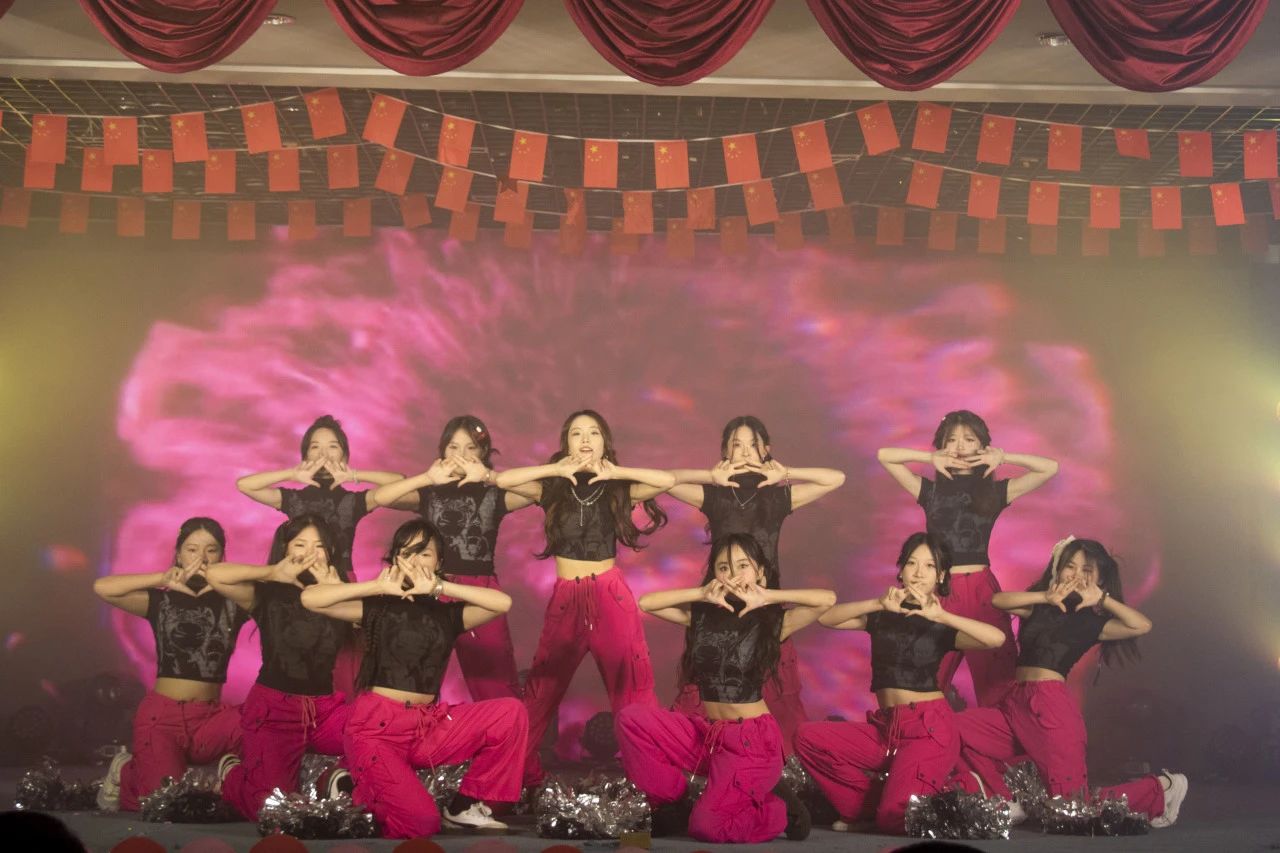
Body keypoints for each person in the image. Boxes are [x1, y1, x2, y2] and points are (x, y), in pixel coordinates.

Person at [301, 519, 528, 838]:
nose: (415, 561)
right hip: (376, 731)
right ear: (395, 560)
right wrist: (376, 587)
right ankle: (352, 787)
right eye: (406, 553)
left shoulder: (448, 615)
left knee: (510, 712)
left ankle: (463, 807)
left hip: (427, 728)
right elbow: (311, 599)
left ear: (439, 562)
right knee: (421, 824)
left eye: (424, 553)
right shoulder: (377, 608)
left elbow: (502, 603)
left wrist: (440, 588)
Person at [951, 537, 1188, 828]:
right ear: (1058, 569)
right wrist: (1045, 597)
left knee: (1073, 807)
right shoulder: (1040, 606)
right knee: (951, 729)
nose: (1076, 574)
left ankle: (1161, 788)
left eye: (1087, 570)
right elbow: (997, 601)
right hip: (1014, 704)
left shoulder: (1090, 622)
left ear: (1099, 578)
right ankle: (1003, 799)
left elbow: (1141, 625)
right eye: (1070, 566)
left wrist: (1102, 599)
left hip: (1050, 709)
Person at [493, 409, 674, 785]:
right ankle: (512, 778)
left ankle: (656, 785)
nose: (586, 439)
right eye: (577, 434)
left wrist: (615, 473)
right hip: (567, 597)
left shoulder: (618, 487)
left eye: (594, 433)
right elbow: (501, 479)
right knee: (541, 690)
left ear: (605, 442)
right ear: (566, 444)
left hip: (609, 594)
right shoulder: (553, 488)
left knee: (632, 690)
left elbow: (667, 480)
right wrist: (555, 470)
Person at [617, 533, 835, 843]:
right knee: (632, 719)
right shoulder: (702, 617)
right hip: (711, 736)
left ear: (760, 571)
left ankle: (778, 810)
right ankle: (674, 801)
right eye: (724, 567)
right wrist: (702, 593)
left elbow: (827, 600)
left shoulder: (772, 622)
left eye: (743, 566)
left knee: (707, 827)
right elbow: (646, 603)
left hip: (751, 743)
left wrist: (766, 596)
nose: (733, 575)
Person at [794, 533, 1006, 834]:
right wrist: (877, 602)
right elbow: (826, 618)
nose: (919, 572)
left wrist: (942, 615)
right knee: (807, 737)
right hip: (888, 728)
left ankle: (965, 785)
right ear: (902, 570)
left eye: (929, 566)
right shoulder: (882, 615)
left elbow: (995, 639)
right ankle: (866, 809)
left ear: (940, 576)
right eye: (911, 563)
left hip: (928, 731)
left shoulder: (941, 624)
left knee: (896, 819)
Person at [665, 415, 845, 751]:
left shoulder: (775, 499)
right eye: (737, 444)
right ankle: (707, 752)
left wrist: (785, 473)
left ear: (766, 451)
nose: (746, 452)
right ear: (725, 452)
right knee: (711, 682)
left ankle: (775, 759)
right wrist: (710, 477)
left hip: (764, 601)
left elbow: (836, 479)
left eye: (753, 444)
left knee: (775, 687)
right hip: (718, 603)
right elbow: (664, 481)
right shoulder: (716, 497)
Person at [877, 410, 1058, 706]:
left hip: (980, 590)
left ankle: (1005, 737)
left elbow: (1049, 468)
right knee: (924, 676)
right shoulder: (930, 491)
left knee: (998, 680)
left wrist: (1003, 457)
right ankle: (919, 731)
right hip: (937, 590)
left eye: (969, 439)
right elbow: (885, 456)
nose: (960, 446)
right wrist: (930, 459)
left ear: (982, 446)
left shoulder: (995, 492)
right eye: (951, 440)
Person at [371, 415, 536, 700]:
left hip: (479, 591)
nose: (461, 455)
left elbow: (538, 493)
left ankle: (504, 727)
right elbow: (381, 497)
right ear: (443, 451)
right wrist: (427, 478)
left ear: (483, 453)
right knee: (418, 675)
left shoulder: (492, 494)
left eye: (471, 448)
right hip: (428, 586)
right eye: (453, 447)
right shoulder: (429, 493)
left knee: (495, 683)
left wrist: (489, 476)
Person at [207, 515, 354, 818]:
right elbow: (215, 575)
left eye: (319, 546)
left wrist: (339, 589)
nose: (310, 553)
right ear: (285, 549)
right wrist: (273, 572)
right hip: (275, 709)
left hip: (325, 709)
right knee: (274, 810)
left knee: (375, 732)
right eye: (300, 544)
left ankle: (328, 782)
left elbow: (372, 623)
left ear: (330, 552)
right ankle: (234, 774)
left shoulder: (340, 592)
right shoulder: (268, 592)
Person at [93, 517, 245, 812]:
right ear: (178, 554)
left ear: (222, 556)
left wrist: (224, 579)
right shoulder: (162, 601)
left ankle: (233, 775)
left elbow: (271, 588)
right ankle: (126, 771)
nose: (201, 558)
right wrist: (161, 578)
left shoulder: (235, 602)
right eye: (192, 549)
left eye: (211, 550)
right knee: (166, 805)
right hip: (162, 719)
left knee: (263, 718)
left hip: (211, 718)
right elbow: (103, 588)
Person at [236, 414, 404, 578]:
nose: (323, 454)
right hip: (298, 578)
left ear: (344, 455)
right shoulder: (293, 499)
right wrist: (291, 474)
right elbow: (244, 485)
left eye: (333, 446)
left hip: (340, 583)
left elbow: (400, 482)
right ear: (305, 455)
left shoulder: (353, 501)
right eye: (315, 447)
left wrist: (353, 475)